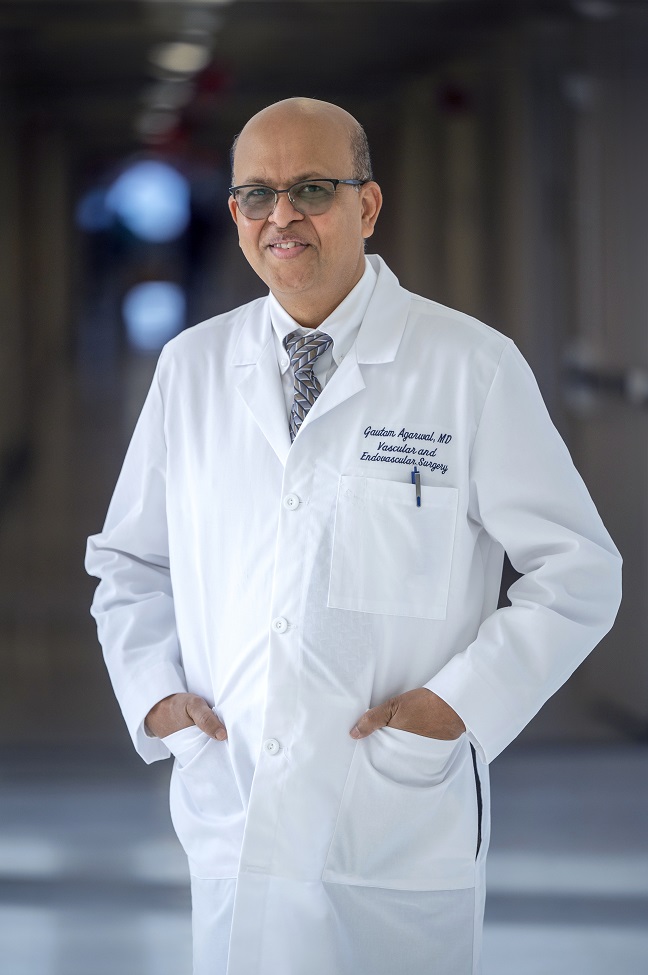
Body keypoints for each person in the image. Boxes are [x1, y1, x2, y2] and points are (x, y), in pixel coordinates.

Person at [85, 97, 622, 975]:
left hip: (393, 817)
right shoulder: (192, 368)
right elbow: (131, 561)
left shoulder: (470, 366)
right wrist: (156, 698)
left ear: (366, 206)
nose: (281, 216)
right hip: (234, 797)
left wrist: (458, 707)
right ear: (234, 213)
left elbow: (579, 571)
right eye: (256, 195)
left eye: (311, 189)